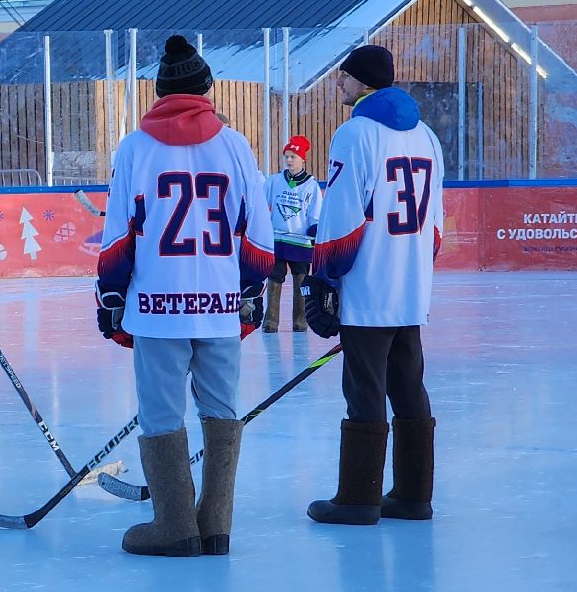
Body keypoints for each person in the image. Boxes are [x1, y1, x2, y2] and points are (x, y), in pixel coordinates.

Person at [95, 36, 273, 557]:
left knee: (161, 415)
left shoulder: (135, 147)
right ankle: (215, 525)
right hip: (218, 305)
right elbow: (256, 231)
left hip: (157, 306)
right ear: (207, 90)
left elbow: (119, 234)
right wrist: (251, 289)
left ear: (160, 93)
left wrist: (110, 296)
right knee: (222, 410)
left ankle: (174, 525)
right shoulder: (235, 145)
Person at [304, 44, 443, 526]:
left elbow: (341, 217)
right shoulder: (426, 135)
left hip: (368, 287)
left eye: (342, 77)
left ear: (362, 83)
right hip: (410, 287)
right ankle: (412, 495)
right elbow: (436, 228)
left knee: (364, 389)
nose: (338, 84)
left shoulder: (355, 133)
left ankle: (358, 499)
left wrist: (322, 277)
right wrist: (416, 272)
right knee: (408, 387)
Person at [264, 134, 324, 333]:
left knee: (301, 280)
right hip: (277, 239)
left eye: (293, 157)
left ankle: (300, 320)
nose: (289, 160)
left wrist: (315, 232)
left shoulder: (311, 185)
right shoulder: (274, 181)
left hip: (300, 242)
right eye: (287, 156)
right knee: (274, 279)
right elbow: (263, 206)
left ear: (302, 159)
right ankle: (270, 321)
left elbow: (315, 214)